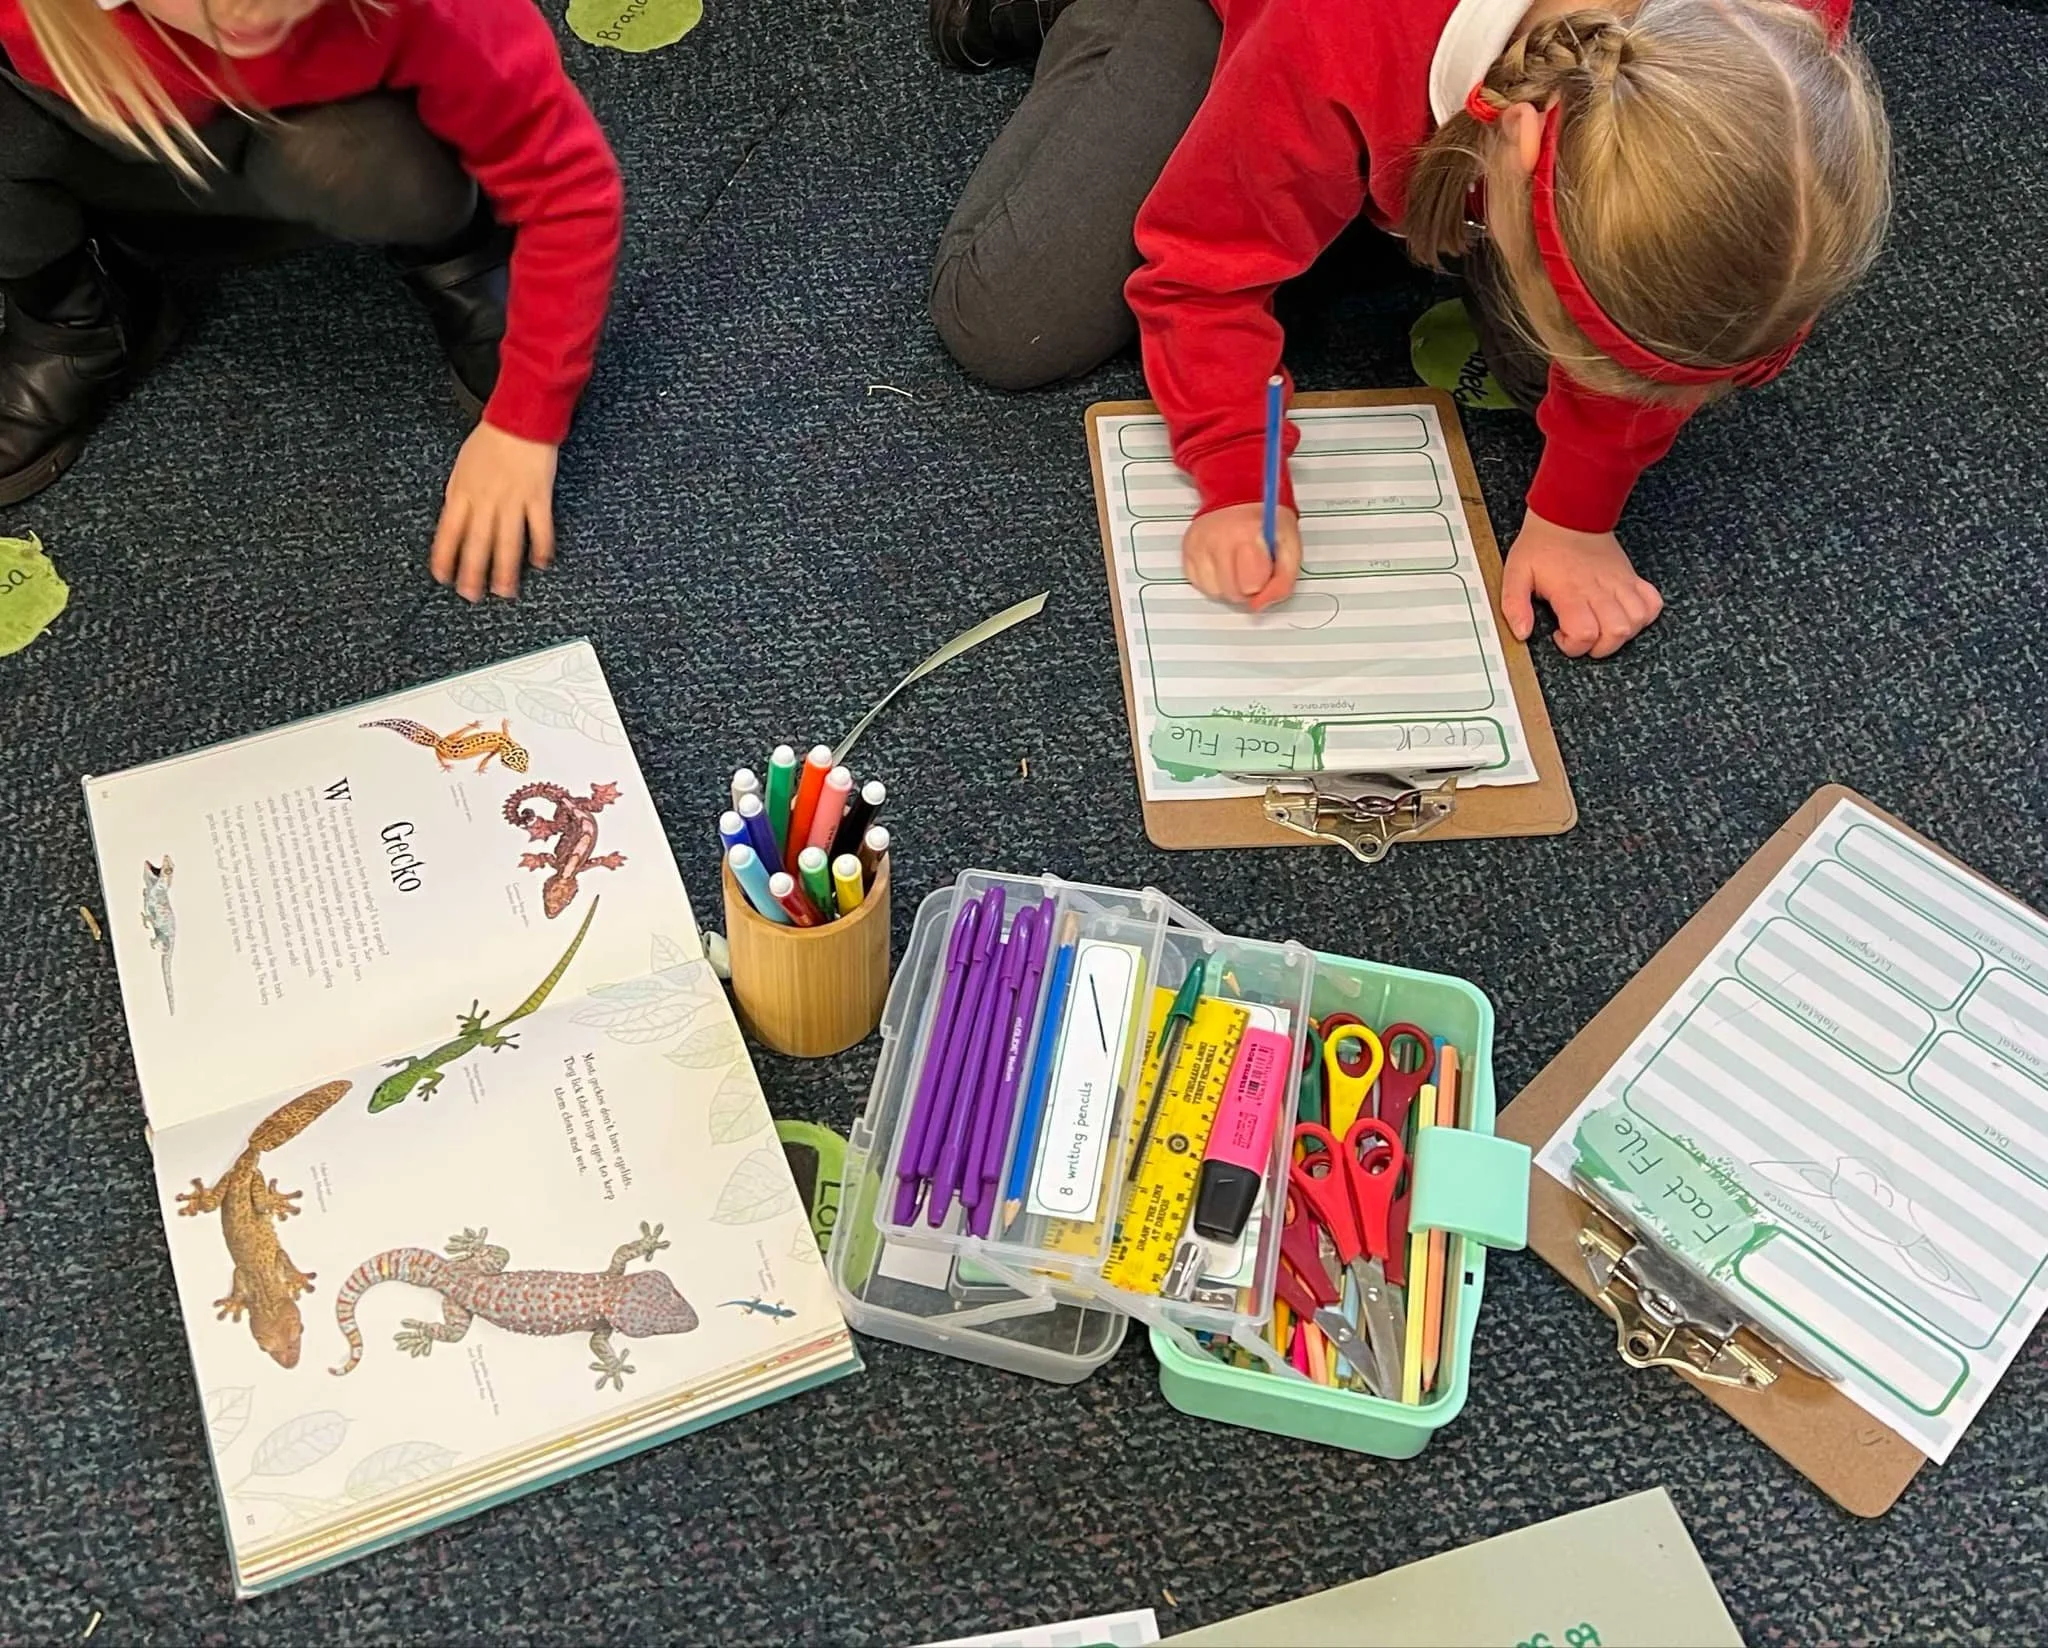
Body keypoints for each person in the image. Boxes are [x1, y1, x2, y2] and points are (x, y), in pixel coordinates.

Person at [926, 0, 1890, 656]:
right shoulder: (1342, 27)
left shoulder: (1783, 41)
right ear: (1516, 145)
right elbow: (1198, 271)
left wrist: (1574, 513)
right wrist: (1234, 467)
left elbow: (1674, 320)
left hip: (1430, 86)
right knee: (1013, 319)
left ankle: (1344, 179)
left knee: (1553, 357)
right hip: (1296, 29)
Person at [0, 0, 623, 601]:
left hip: (313, 141)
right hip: (112, 142)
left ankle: (455, 248)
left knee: (386, 167)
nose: (250, 9)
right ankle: (77, 318)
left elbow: (568, 188)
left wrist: (524, 425)